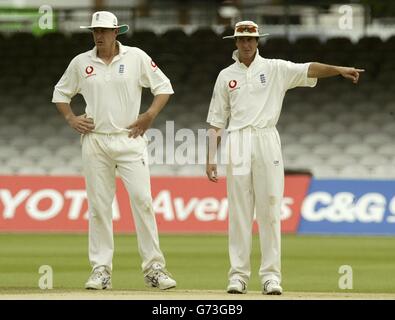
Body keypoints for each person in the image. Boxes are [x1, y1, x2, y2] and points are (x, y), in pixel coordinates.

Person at [206, 21, 364, 295]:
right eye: (242, 40)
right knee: (240, 212)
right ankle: (238, 277)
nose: (246, 44)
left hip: (267, 138)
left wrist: (338, 70)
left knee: (269, 210)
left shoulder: (275, 69)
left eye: (251, 39)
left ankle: (270, 277)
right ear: (235, 42)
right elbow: (216, 120)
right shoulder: (225, 76)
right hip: (238, 141)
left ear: (258, 42)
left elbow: (309, 68)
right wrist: (210, 157)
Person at [52, 11, 176, 290]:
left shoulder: (136, 57)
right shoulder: (81, 62)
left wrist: (149, 115)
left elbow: (164, 88)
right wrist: (72, 118)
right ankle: (101, 270)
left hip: (130, 139)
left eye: (104, 31)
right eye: (95, 31)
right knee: (98, 207)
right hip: (95, 141)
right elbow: (60, 93)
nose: (99, 35)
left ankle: (154, 269)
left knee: (143, 202)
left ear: (116, 32)